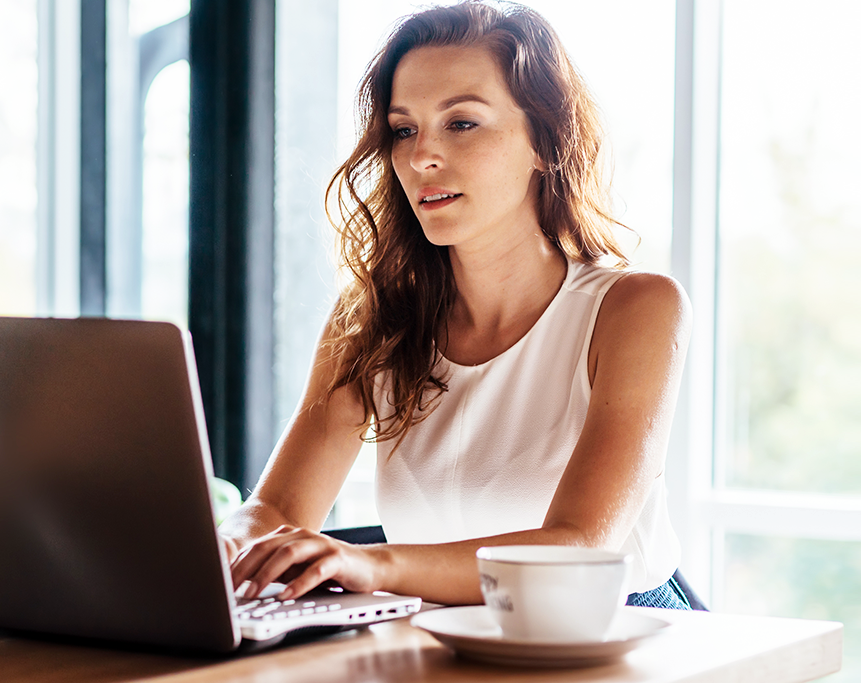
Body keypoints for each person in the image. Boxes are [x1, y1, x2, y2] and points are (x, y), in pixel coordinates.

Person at [217, 1, 694, 610]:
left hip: (616, 633)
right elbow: (277, 510)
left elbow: (578, 548)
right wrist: (218, 551)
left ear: (546, 142)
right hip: (439, 629)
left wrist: (373, 564)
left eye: (462, 123)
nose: (421, 158)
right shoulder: (371, 319)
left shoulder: (635, 307)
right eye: (404, 129)